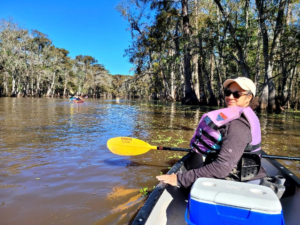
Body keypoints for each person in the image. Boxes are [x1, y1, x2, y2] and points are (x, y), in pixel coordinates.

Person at [156, 77, 267, 188]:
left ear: (248, 98)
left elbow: (222, 168)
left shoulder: (238, 126)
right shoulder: (231, 120)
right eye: (228, 93)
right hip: (231, 172)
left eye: (237, 94)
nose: (230, 97)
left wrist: (180, 179)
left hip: (239, 180)